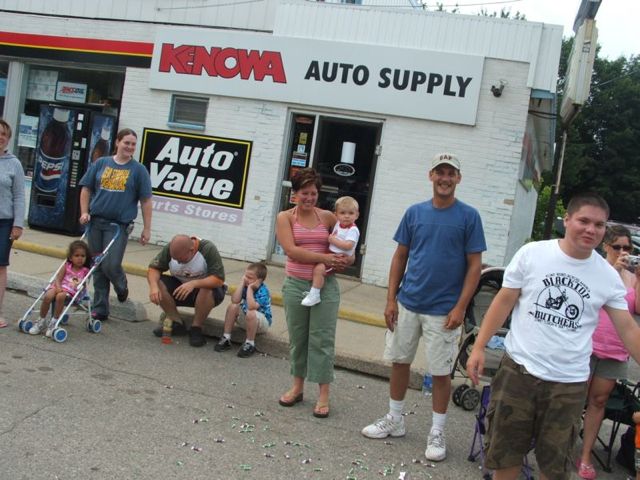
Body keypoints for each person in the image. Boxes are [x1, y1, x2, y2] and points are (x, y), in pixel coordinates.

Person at [466, 193, 640, 480]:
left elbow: (628, 328)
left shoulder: (607, 276)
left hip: (569, 384)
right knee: (505, 457)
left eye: (598, 225)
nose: (590, 229)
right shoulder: (533, 253)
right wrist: (478, 347)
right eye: (583, 221)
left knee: (554, 468)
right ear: (567, 220)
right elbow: (504, 301)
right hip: (519, 372)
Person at [361, 152, 486, 462]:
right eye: (440, 172)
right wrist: (391, 299)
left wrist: (461, 307)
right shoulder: (414, 213)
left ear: (458, 179)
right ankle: (395, 419)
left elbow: (474, 267)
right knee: (399, 362)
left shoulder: (469, 217)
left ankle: (437, 431)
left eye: (451, 173)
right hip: (408, 303)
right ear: (431, 175)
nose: (445, 178)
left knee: (441, 372)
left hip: (444, 310)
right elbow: (400, 256)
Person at [275, 168, 354, 419]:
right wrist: (325, 257)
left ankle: (323, 395)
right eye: (304, 193)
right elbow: (291, 251)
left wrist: (345, 260)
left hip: (326, 285)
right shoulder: (285, 218)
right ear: (295, 194)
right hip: (296, 284)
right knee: (298, 338)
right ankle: (297, 387)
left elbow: (346, 248)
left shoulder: (329, 217)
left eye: (313, 193)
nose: (309, 198)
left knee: (322, 339)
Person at [578, 225, 639, 479]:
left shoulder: (633, 277)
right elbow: (590, 298)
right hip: (587, 344)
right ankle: (557, 445)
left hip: (615, 349)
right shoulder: (597, 268)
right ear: (606, 246)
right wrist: (614, 270)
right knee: (573, 397)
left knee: (598, 401)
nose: (622, 252)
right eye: (617, 247)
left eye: (628, 248)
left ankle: (585, 455)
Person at [79, 128, 152, 322]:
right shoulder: (101, 163)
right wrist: (84, 212)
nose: (129, 147)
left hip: (118, 226)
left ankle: (121, 285)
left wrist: (147, 228)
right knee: (97, 266)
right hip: (96, 222)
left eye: (133, 144)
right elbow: (86, 189)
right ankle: (100, 309)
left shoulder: (138, 170)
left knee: (110, 265)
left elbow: (146, 200)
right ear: (117, 142)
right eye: (126, 142)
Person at [147, 234, 226, 347]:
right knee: (158, 282)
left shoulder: (208, 249)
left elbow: (219, 279)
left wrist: (194, 283)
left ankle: (196, 328)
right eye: (175, 260)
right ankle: (176, 323)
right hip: (181, 290)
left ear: (192, 250)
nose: (178, 263)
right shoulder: (171, 248)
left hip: (206, 294)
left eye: (181, 259)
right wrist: (153, 287)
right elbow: (154, 268)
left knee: (207, 288)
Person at [301, 196, 360, 307]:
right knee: (318, 268)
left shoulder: (353, 229)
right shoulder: (339, 224)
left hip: (339, 257)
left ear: (357, 215)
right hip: (331, 253)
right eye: (342, 213)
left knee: (319, 270)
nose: (346, 216)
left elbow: (348, 245)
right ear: (336, 215)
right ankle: (314, 291)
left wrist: (333, 240)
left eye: (351, 213)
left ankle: (315, 294)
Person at [29, 240, 92, 337]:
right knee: (48, 296)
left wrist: (79, 286)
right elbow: (58, 278)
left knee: (60, 296)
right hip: (59, 286)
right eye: (77, 256)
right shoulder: (67, 266)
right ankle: (41, 320)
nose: (80, 258)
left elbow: (83, 285)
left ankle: (54, 321)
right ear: (70, 257)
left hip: (71, 292)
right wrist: (58, 287)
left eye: (83, 256)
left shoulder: (85, 271)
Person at [214, 262, 272, 358]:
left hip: (261, 324)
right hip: (247, 319)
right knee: (233, 306)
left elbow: (251, 306)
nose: (246, 279)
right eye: (245, 276)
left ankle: (250, 343)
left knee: (251, 312)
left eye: (250, 278)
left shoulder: (263, 291)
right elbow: (235, 300)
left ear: (259, 281)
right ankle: (226, 337)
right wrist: (242, 283)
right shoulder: (244, 285)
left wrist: (250, 288)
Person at [0, 119, 25, 329]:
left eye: (3, 134)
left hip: (4, 222)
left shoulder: (14, 163)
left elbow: (19, 196)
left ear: (8, 138)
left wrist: (18, 224)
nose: (0, 137)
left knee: (0, 267)